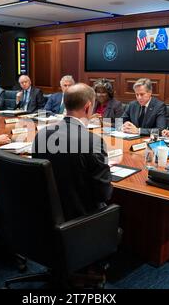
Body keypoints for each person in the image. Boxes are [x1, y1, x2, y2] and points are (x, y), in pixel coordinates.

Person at [32, 83, 112, 221]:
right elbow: (104, 194)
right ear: (88, 107)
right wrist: (105, 167)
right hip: (81, 220)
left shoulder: (42, 134)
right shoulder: (94, 141)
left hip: (45, 217)